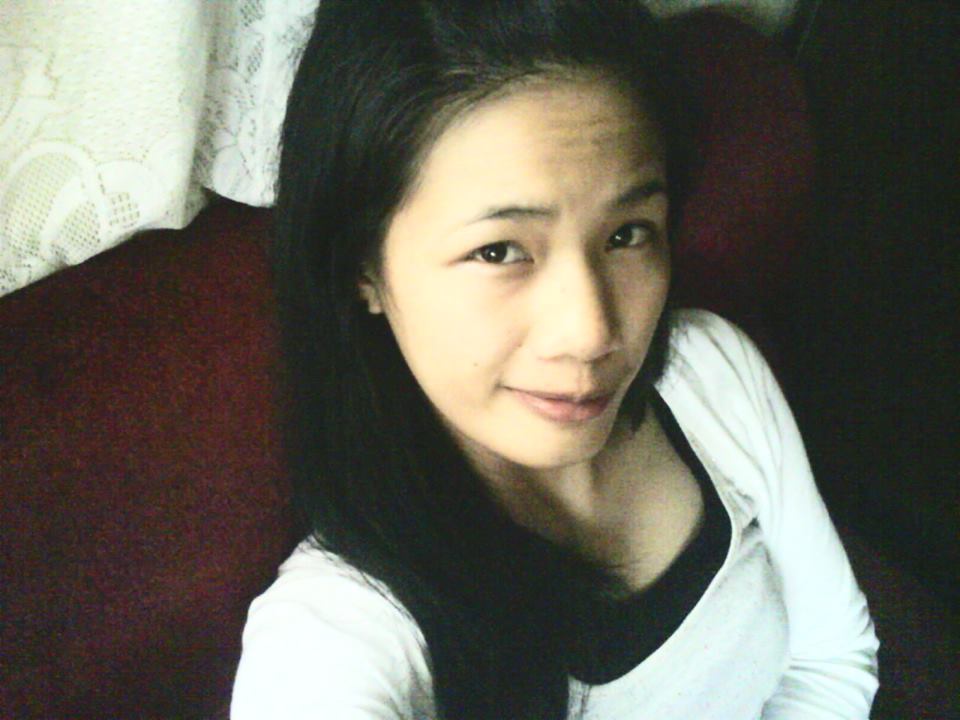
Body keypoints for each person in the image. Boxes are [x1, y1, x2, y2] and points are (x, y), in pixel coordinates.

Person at [231, 1, 879, 718]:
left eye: (627, 234)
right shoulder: (336, 632)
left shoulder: (713, 375)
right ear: (364, 267)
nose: (592, 332)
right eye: (499, 251)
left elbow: (830, 661)